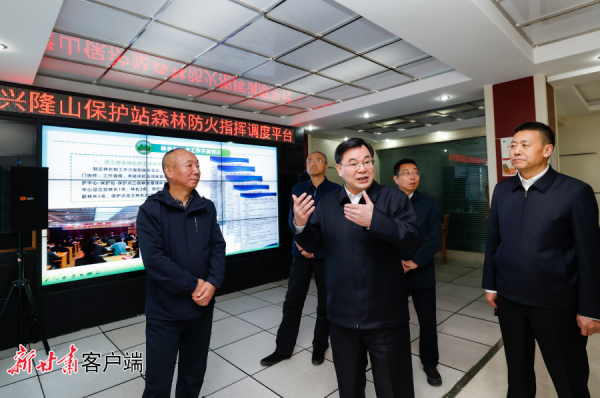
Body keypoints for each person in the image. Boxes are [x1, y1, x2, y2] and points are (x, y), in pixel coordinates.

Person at [293, 137, 421, 398]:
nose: (362, 168)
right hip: (341, 314)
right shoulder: (328, 204)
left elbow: (412, 237)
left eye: (367, 162)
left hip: (385, 314)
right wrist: (300, 224)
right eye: (353, 163)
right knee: (349, 386)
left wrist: (376, 220)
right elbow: (312, 244)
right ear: (339, 169)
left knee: (394, 387)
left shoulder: (392, 197)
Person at [483, 121, 600, 397]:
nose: (516, 151)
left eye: (525, 144)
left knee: (568, 376)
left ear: (547, 149)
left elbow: (590, 256)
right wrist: (490, 284)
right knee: (518, 373)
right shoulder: (502, 190)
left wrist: (590, 308)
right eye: (513, 145)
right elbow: (493, 240)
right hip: (510, 300)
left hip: (556, 303)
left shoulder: (574, 192)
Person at [137, 148, 226, 398]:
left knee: (193, 374)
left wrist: (213, 282)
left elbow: (218, 247)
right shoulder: (151, 209)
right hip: (165, 310)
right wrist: (194, 286)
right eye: (189, 166)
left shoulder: (206, 207)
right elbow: (154, 260)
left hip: (202, 308)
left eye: (197, 165)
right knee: (158, 380)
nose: (196, 171)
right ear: (169, 171)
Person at [261, 151, 341, 367]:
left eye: (317, 160)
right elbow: (292, 220)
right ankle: (283, 348)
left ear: (327, 166)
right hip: (300, 253)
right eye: (309, 161)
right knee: (292, 301)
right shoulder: (298, 189)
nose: (313, 163)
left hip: (325, 255)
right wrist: (303, 244)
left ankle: (320, 346)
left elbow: (335, 226)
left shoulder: (336, 191)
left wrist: (316, 248)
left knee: (325, 301)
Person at [393, 159, 443, 387]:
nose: (412, 176)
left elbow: (434, 237)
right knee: (394, 317)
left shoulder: (429, 202)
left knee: (427, 319)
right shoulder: (386, 202)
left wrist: (415, 261)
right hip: (393, 269)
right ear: (396, 179)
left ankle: (430, 362)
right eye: (406, 173)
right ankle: (394, 357)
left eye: (415, 172)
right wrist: (398, 262)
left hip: (421, 267)